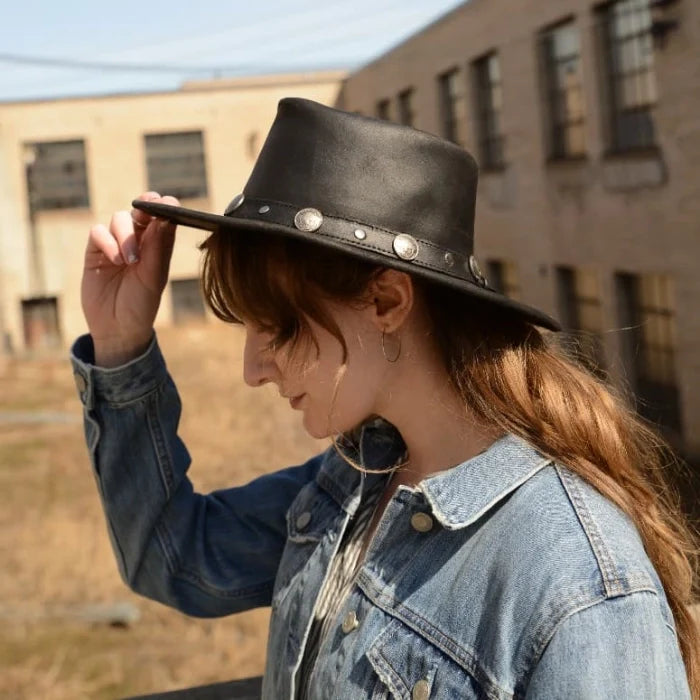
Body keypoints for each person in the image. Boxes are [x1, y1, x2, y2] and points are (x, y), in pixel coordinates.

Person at [71, 97, 698, 699]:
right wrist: (121, 345)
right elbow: (174, 556)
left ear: (387, 302)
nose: (252, 370)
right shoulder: (352, 479)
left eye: (279, 328)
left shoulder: (579, 584)